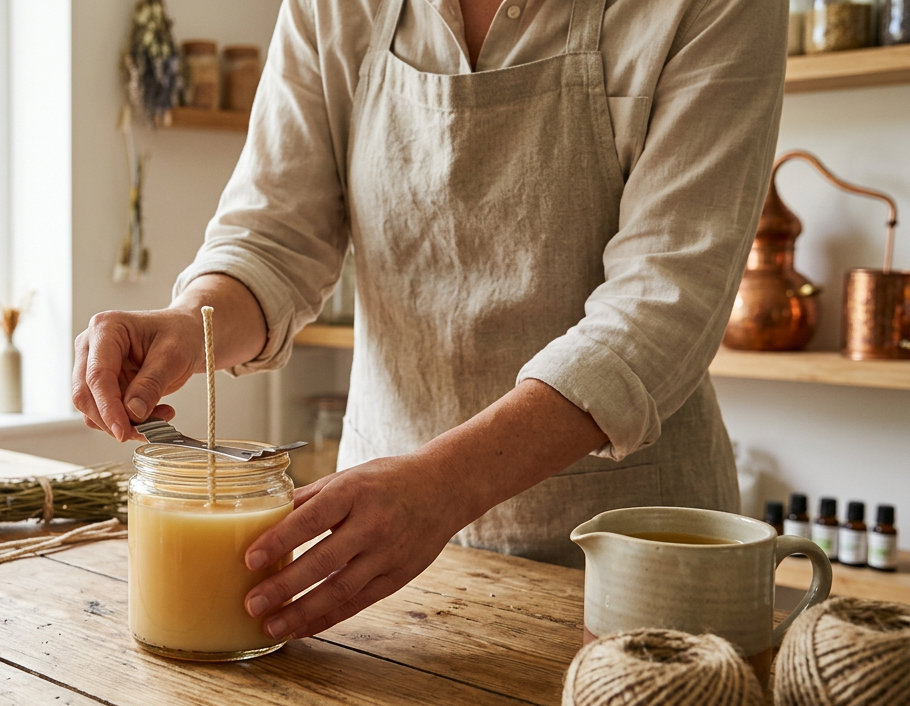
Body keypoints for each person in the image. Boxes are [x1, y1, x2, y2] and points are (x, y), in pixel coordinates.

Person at [73, 0, 785, 644]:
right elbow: (272, 240)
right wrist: (186, 323)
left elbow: (663, 305)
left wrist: (443, 484)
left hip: (633, 573)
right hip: (377, 575)